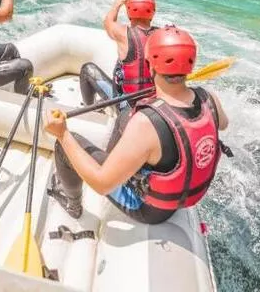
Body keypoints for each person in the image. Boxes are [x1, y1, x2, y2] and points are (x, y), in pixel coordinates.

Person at [45, 26, 229, 224]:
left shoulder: (146, 123)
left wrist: (62, 134)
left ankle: (72, 204)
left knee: (64, 146)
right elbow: (223, 125)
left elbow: (101, 184)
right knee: (125, 116)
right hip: (181, 197)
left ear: (150, 65)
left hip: (146, 207)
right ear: (190, 66)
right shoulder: (209, 99)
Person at [79, 0, 157, 107]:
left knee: (87, 69)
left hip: (127, 105)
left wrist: (117, 4)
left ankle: (89, 107)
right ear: (153, 12)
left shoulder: (123, 33)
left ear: (129, 12)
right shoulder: (161, 35)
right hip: (153, 103)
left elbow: (108, 22)